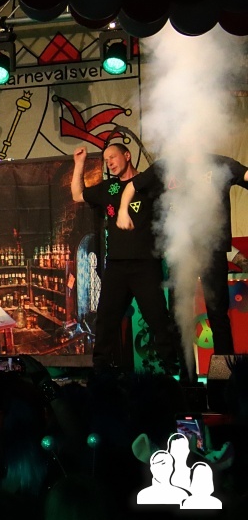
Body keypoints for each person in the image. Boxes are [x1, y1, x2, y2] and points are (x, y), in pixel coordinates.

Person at [117, 153, 248, 356]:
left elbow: (245, 174)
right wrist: (122, 211)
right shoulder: (166, 165)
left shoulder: (219, 163)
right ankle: (185, 373)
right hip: (179, 249)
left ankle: (224, 370)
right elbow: (132, 186)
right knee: (179, 313)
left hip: (212, 248)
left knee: (217, 313)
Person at [71, 143, 180, 372]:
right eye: (106, 159)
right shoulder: (109, 188)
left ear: (127, 155)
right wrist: (79, 164)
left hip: (146, 264)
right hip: (116, 266)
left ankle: (173, 370)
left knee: (158, 318)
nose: (109, 162)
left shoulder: (147, 182)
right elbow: (77, 195)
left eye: (113, 157)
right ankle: (100, 371)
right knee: (106, 319)